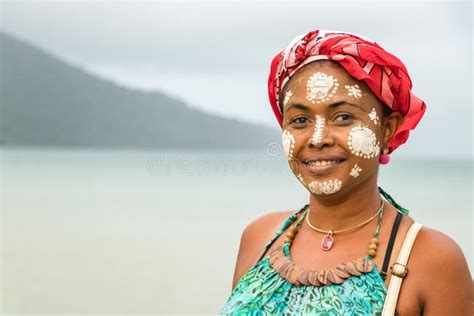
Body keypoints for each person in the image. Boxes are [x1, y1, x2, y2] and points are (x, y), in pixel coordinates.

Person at [220, 30, 471, 315]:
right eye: (300, 120)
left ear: (387, 129)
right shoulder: (260, 238)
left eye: (343, 117)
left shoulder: (430, 258)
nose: (317, 138)